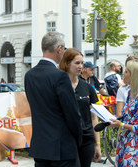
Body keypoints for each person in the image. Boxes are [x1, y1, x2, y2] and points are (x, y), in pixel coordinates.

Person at [24, 32, 83, 167]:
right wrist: (78, 139)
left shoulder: (29, 75)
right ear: (59, 49)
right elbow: (72, 112)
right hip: (62, 147)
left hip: (41, 146)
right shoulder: (60, 76)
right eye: (64, 49)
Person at [59, 48, 101, 167]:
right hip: (67, 139)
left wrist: (97, 144)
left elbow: (94, 118)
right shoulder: (59, 86)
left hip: (86, 139)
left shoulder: (87, 88)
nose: (80, 66)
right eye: (77, 63)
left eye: (82, 63)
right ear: (67, 63)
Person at [109, 60, 138, 166]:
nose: (123, 73)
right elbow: (128, 117)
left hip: (137, 148)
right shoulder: (130, 93)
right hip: (125, 143)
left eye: (126, 71)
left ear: (134, 75)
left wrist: (122, 125)